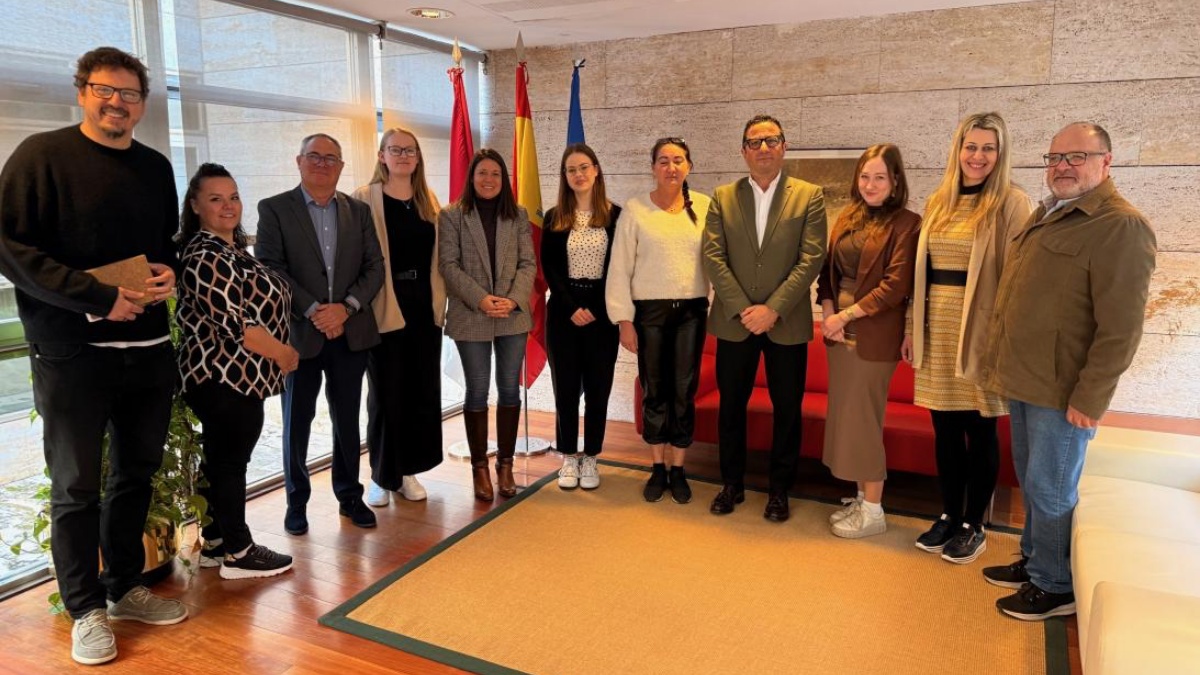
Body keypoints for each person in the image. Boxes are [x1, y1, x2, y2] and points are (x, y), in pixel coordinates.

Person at [0, 46, 187, 665]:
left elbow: (165, 246)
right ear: (82, 92)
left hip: (149, 349)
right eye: (105, 90)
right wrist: (98, 298)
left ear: (143, 104)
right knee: (75, 487)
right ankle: (85, 610)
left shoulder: (155, 167)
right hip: (73, 353)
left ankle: (124, 587)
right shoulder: (41, 157)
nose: (117, 103)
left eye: (129, 94)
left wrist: (169, 271)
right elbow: (13, 251)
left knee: (135, 475)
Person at [979, 122, 1156, 621]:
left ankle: (1055, 585)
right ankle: (1036, 559)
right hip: (1024, 378)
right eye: (1055, 157)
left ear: (1106, 161)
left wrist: (1090, 397)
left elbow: (1121, 328)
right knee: (1032, 481)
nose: (1063, 166)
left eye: (1077, 156)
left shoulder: (1120, 226)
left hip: (1062, 391)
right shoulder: (1052, 213)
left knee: (1051, 487)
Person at [904, 112, 1032, 563]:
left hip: (980, 331)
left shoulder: (1012, 203)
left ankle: (974, 523)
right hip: (936, 327)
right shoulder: (940, 200)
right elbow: (920, 275)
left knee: (980, 430)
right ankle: (948, 514)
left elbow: (1021, 278)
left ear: (1001, 153)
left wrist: (1005, 339)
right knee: (944, 429)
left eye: (988, 148)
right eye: (971, 146)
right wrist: (911, 329)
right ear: (958, 150)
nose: (978, 156)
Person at [255, 133, 385, 535]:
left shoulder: (357, 211)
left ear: (341, 166)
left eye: (331, 158)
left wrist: (345, 308)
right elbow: (270, 266)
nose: (323, 164)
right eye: (315, 156)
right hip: (300, 335)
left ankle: (350, 496)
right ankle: (296, 503)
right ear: (299, 161)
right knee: (297, 421)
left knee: (347, 420)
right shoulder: (275, 208)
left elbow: (375, 267)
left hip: (350, 332)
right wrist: (314, 309)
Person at [703, 115, 827, 522]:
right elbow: (713, 256)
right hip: (734, 322)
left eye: (771, 140)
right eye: (754, 142)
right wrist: (744, 308)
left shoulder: (809, 196)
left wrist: (773, 308)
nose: (763, 148)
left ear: (784, 147)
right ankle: (731, 484)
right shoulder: (723, 197)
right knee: (731, 408)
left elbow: (811, 259)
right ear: (743, 151)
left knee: (787, 410)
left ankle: (779, 491)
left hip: (785, 321)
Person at [177, 163, 297, 579]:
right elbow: (237, 326)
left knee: (220, 461)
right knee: (230, 464)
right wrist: (283, 353)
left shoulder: (231, 249)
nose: (228, 206)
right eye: (216, 199)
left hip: (240, 377)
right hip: (221, 376)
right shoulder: (204, 254)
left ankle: (214, 542)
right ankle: (239, 552)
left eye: (233, 197)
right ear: (195, 205)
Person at [816, 143, 920, 539]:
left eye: (879, 177)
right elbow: (827, 273)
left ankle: (874, 511)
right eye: (864, 176)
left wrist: (845, 316)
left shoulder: (908, 224)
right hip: (838, 335)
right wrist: (829, 316)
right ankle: (862, 499)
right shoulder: (848, 216)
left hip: (873, 337)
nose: (870, 184)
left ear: (895, 181)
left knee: (864, 422)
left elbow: (895, 286)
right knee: (849, 419)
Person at [606, 137, 712, 505]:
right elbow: (619, 267)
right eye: (663, 161)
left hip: (691, 312)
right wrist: (624, 319)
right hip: (648, 313)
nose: (671, 167)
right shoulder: (635, 210)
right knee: (655, 389)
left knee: (683, 390)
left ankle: (678, 468)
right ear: (653, 168)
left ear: (689, 166)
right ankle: (657, 468)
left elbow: (717, 261)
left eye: (678, 160)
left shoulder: (705, 207)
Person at [351, 127, 446, 508]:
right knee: (386, 395)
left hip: (423, 306)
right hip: (384, 306)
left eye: (410, 150)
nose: (404, 155)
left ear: (418, 157)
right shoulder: (364, 198)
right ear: (382, 156)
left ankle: (408, 471)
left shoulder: (428, 200)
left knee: (420, 392)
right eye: (396, 150)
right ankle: (381, 475)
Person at [438, 148, 535, 502]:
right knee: (477, 390)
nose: (489, 179)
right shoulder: (452, 215)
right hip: (471, 314)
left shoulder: (518, 214)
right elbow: (448, 265)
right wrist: (480, 298)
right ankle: (480, 467)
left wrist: (513, 299)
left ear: (503, 179)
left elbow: (528, 263)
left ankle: (505, 465)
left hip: (512, 314)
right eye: (482, 173)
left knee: (509, 389)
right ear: (472, 177)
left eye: (495, 173)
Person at [542, 143, 622, 490]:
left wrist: (596, 307)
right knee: (565, 389)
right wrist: (572, 307)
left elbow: (620, 268)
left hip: (603, 313)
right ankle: (568, 457)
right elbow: (550, 267)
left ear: (596, 170)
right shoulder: (554, 217)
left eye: (584, 167)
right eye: (571, 169)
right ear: (565, 176)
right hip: (564, 313)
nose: (578, 174)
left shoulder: (616, 216)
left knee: (598, 389)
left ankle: (590, 456)